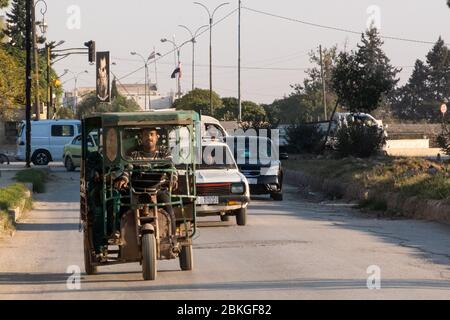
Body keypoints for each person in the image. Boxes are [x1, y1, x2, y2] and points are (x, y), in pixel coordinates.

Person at [114, 127, 178, 234]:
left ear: (156, 137)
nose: (149, 137)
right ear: (141, 138)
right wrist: (124, 179)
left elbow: (171, 168)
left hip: (158, 190)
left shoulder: (164, 152)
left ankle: (173, 236)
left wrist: (173, 179)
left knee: (169, 208)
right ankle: (118, 232)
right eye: (146, 135)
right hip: (136, 191)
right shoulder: (133, 152)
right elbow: (128, 168)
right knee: (123, 206)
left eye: (152, 134)